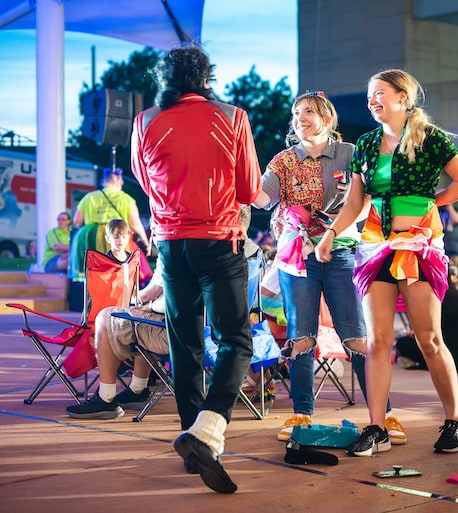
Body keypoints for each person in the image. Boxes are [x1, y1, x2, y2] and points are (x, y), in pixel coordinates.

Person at [315, 68, 458, 456]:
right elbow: (356, 201)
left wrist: (430, 205)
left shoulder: (430, 138)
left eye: (380, 93)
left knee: (429, 338)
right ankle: (377, 427)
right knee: (378, 341)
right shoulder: (367, 144)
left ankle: (453, 421)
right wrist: (330, 233)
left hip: (420, 246)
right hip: (376, 246)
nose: (373, 100)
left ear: (403, 97)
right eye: (369, 95)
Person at [131, 45, 260, 494]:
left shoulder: (144, 120)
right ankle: (207, 431)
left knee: (183, 342)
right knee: (235, 342)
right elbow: (248, 187)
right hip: (218, 240)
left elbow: (145, 182)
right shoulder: (232, 117)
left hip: (170, 245)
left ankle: (194, 443)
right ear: (207, 78)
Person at [252, 90, 406, 446]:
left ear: (327, 118)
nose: (300, 118)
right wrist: (242, 176)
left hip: (342, 253)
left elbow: (373, 198)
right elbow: (263, 198)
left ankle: (384, 414)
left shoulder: (351, 154)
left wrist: (348, 220)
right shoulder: (284, 160)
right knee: (301, 335)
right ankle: (302, 413)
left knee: (355, 336)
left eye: (308, 111)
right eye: (295, 113)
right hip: (296, 256)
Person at [64, 259, 166, 421]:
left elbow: (149, 293)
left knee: (105, 317)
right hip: (200, 333)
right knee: (139, 322)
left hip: (169, 332)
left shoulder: (172, 245)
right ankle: (137, 390)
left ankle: (106, 399)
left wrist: (127, 293)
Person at [71, 167, 151, 280]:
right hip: (118, 234)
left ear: (104, 181)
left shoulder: (90, 197)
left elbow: (77, 221)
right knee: (122, 271)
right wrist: (146, 242)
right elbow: (135, 224)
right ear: (119, 182)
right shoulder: (126, 199)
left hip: (91, 236)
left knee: (93, 275)